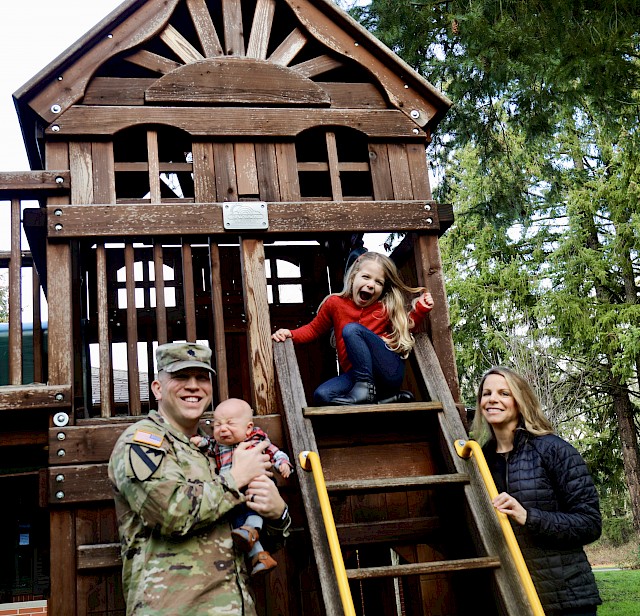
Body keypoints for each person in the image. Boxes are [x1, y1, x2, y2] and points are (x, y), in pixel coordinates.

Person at [108, 342, 291, 615]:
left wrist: (277, 515)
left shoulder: (215, 447)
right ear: (158, 388)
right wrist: (235, 478)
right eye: (181, 377)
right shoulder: (144, 443)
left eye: (202, 378)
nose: (194, 386)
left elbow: (255, 539)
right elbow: (172, 514)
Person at [472, 366, 602, 616]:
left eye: (504, 393)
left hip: (565, 599)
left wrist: (529, 517)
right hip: (512, 596)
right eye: (486, 394)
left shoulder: (554, 450)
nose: (492, 400)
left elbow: (590, 524)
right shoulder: (479, 460)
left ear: (520, 402)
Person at [272, 251, 434, 405]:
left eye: (378, 282)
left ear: (383, 289)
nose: (371, 285)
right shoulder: (335, 304)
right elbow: (313, 329)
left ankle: (366, 391)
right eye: (366, 277)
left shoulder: (384, 307)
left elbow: (405, 327)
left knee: (351, 330)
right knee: (322, 395)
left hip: (387, 372)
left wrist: (420, 310)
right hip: (356, 375)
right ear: (353, 277)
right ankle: (382, 399)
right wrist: (290, 334)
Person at [190, 397, 293, 577]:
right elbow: (209, 443)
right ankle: (260, 556)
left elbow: (274, 452)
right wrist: (201, 442)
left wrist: (282, 464)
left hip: (254, 486)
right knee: (238, 520)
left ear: (248, 428)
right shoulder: (219, 445)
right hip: (232, 491)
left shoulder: (257, 440)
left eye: (230, 424)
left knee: (254, 504)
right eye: (217, 425)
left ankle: (253, 530)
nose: (223, 429)